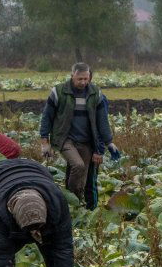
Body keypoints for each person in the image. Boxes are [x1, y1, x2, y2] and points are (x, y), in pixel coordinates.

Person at [38, 63, 113, 209]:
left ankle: (75, 204)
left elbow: (102, 121)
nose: (83, 82)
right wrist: (44, 141)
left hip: (86, 140)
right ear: (72, 75)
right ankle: (72, 202)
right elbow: (47, 116)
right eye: (80, 79)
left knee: (82, 178)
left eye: (86, 79)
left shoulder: (95, 93)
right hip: (65, 139)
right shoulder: (58, 91)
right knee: (78, 165)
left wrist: (106, 143)